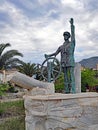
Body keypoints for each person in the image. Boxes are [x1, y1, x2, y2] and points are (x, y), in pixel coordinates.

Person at [45, 18, 76, 93]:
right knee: (65, 77)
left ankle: (73, 90)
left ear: (68, 37)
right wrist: (48, 56)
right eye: (64, 35)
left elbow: (73, 35)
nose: (65, 36)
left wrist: (72, 25)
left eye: (66, 35)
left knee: (71, 76)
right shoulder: (61, 47)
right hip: (63, 62)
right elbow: (55, 53)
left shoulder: (72, 43)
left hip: (70, 61)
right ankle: (66, 90)